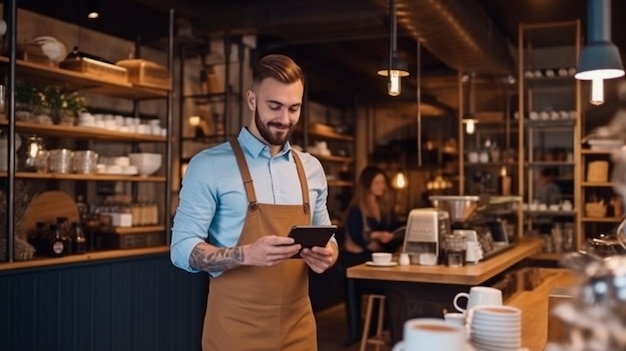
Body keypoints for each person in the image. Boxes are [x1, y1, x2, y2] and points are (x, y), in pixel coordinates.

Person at [170, 54, 339, 351]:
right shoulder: (208, 165)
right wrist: (246, 254)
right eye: (274, 106)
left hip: (298, 330)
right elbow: (181, 249)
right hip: (234, 331)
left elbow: (327, 233)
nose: (284, 119)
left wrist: (328, 254)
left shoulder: (311, 169)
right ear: (251, 99)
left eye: (293, 108)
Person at [339, 166, 401, 344]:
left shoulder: (383, 206)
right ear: (367, 185)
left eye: (383, 182)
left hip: (370, 256)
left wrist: (388, 237)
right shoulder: (357, 209)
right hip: (354, 259)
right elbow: (357, 236)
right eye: (377, 183)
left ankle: (376, 329)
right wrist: (376, 236)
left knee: (389, 284)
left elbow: (390, 231)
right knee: (363, 286)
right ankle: (356, 335)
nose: (382, 186)